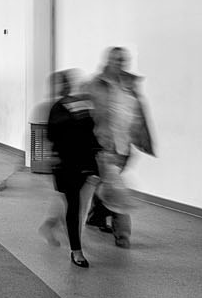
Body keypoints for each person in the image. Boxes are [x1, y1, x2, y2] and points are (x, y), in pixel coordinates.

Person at [85, 46, 156, 247]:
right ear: (108, 61)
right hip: (104, 145)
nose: (121, 63)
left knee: (105, 185)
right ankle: (122, 235)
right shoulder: (94, 85)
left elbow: (139, 113)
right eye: (117, 60)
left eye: (124, 60)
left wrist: (143, 139)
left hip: (125, 146)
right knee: (116, 187)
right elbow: (86, 113)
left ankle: (95, 216)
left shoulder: (130, 85)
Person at [41, 71, 101, 266]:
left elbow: (90, 132)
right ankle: (76, 250)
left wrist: (97, 154)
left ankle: (53, 226)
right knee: (74, 206)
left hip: (86, 163)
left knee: (78, 206)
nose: (65, 86)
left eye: (68, 82)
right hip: (67, 165)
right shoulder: (56, 109)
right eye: (62, 83)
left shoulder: (81, 105)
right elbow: (52, 135)